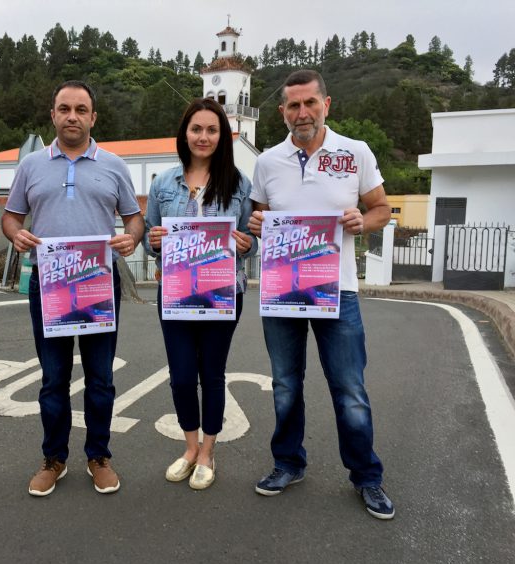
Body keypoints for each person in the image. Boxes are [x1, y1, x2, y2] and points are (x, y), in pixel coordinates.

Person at [248, 70, 394, 519]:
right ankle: (288, 463)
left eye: (310, 102)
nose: (302, 112)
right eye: (293, 105)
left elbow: (383, 209)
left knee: (349, 388)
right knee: (286, 385)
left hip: (339, 292)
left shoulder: (355, 153)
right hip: (281, 293)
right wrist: (256, 228)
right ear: (282, 112)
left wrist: (361, 222)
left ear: (326, 104)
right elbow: (260, 221)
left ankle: (367, 476)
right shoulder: (267, 161)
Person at [2, 80, 143, 497]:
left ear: (93, 117)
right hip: (48, 284)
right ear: (52, 114)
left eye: (81, 109)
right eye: (65, 108)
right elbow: (11, 217)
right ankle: (54, 458)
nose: (72, 116)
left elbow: (134, 218)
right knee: (53, 378)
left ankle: (99, 455)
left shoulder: (114, 164)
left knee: (100, 377)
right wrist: (16, 235)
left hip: (98, 283)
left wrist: (132, 237)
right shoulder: (31, 166)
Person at [143, 98, 257, 490]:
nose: (203, 137)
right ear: (185, 133)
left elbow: (252, 238)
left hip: (223, 293)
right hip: (174, 293)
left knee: (211, 374)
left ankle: (209, 451)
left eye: (212, 130)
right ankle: (190, 447)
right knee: (179, 376)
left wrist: (246, 245)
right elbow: (149, 238)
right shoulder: (163, 183)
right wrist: (154, 241)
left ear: (222, 136)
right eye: (197, 129)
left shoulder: (240, 183)